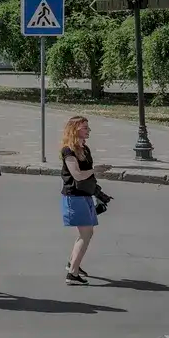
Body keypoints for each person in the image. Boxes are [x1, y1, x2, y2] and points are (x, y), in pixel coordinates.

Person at [60, 114, 103, 285]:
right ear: (74, 129)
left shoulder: (84, 148)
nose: (88, 130)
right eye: (85, 127)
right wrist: (95, 170)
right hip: (74, 196)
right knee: (86, 233)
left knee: (85, 233)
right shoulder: (68, 150)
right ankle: (72, 273)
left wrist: (98, 191)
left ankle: (73, 264)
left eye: (87, 127)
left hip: (84, 195)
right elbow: (77, 175)